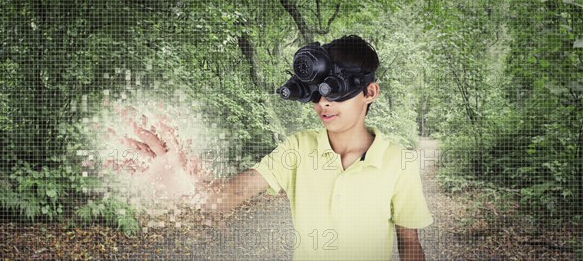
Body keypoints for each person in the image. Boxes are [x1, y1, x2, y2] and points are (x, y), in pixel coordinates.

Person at [116, 35, 433, 260]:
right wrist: (183, 180)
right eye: (315, 92)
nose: (323, 102)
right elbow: (226, 199)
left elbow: (408, 241)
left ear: (370, 92)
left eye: (336, 90)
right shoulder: (298, 149)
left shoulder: (398, 162)